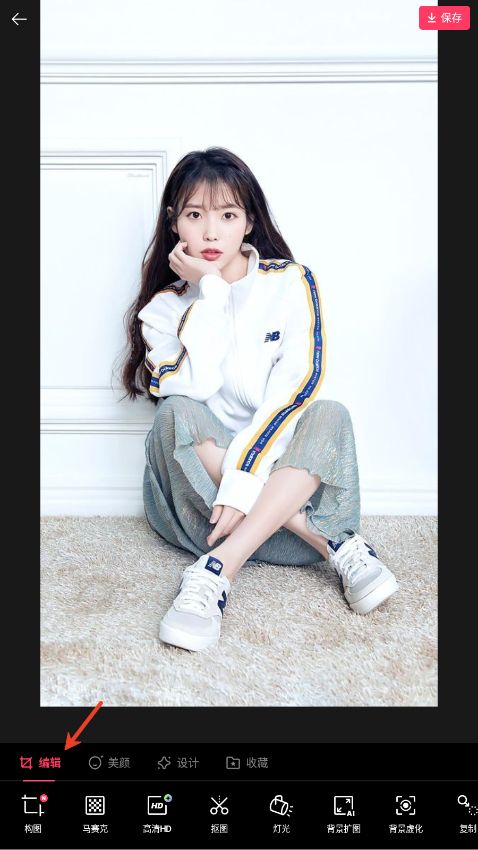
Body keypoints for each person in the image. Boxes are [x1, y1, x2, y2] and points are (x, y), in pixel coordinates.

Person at [117, 146, 399, 653]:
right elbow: (192, 387)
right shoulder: (162, 310)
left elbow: (296, 388)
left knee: (328, 413)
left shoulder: (291, 283)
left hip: (272, 509)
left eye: (227, 216)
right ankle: (332, 543)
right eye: (195, 215)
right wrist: (211, 294)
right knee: (175, 413)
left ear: (249, 222)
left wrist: (245, 480)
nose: (210, 233)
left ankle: (217, 570)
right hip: (206, 514)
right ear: (174, 222)